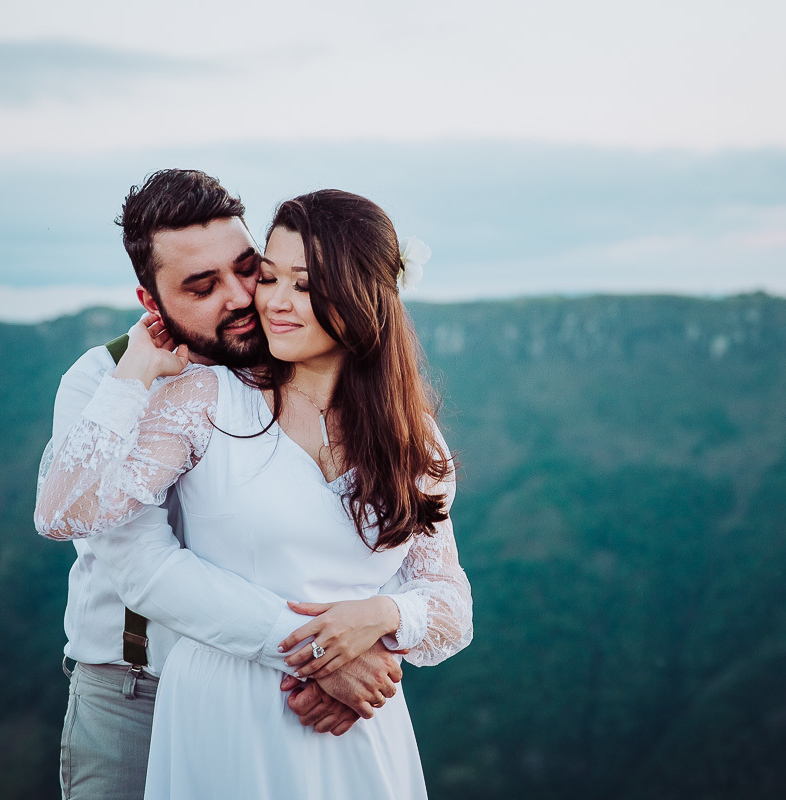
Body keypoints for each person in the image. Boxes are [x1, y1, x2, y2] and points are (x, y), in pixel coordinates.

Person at [37, 189, 472, 799]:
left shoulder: (407, 434)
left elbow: (441, 594)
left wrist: (379, 621)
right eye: (203, 286)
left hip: (343, 715)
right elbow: (102, 538)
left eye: (252, 272)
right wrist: (325, 654)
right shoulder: (163, 391)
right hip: (150, 687)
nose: (253, 300)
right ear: (151, 303)